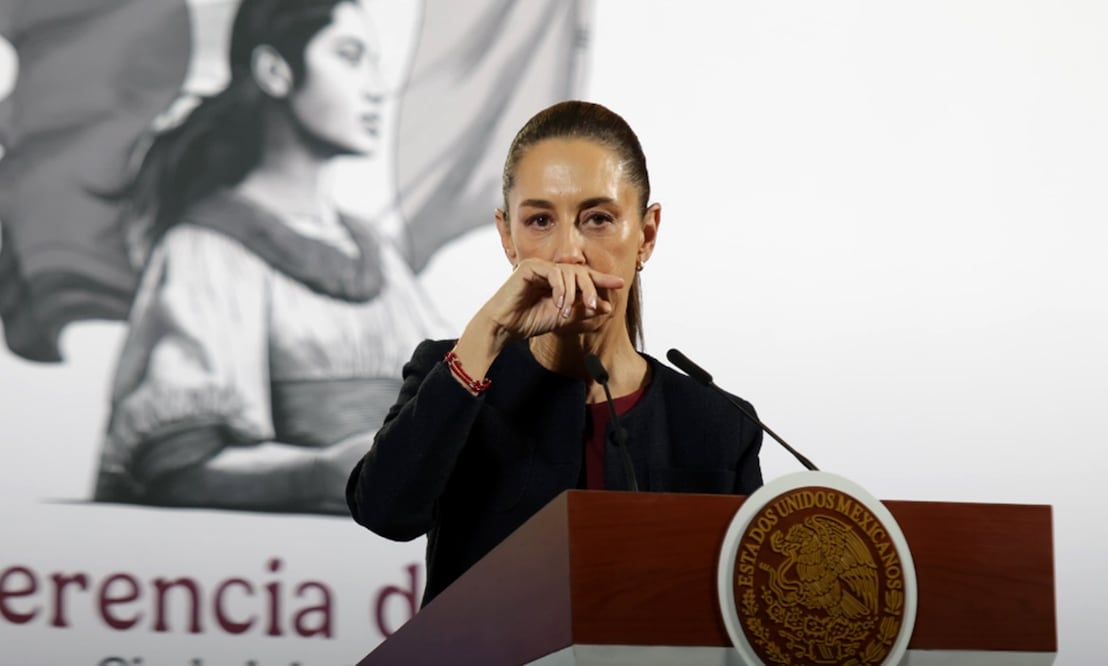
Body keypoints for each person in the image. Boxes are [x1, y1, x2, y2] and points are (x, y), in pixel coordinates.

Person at [347, 100, 764, 604]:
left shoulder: (719, 422)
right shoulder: (455, 373)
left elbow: (746, 614)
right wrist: (488, 331)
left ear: (647, 235)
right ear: (507, 236)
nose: (569, 252)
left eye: (598, 218)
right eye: (541, 220)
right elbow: (385, 514)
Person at [92, 0, 444, 513]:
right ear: (275, 71)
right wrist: (325, 472)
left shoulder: (378, 256)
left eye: (373, 61)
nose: (376, 87)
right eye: (349, 56)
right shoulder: (208, 249)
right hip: (271, 579)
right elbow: (179, 464)